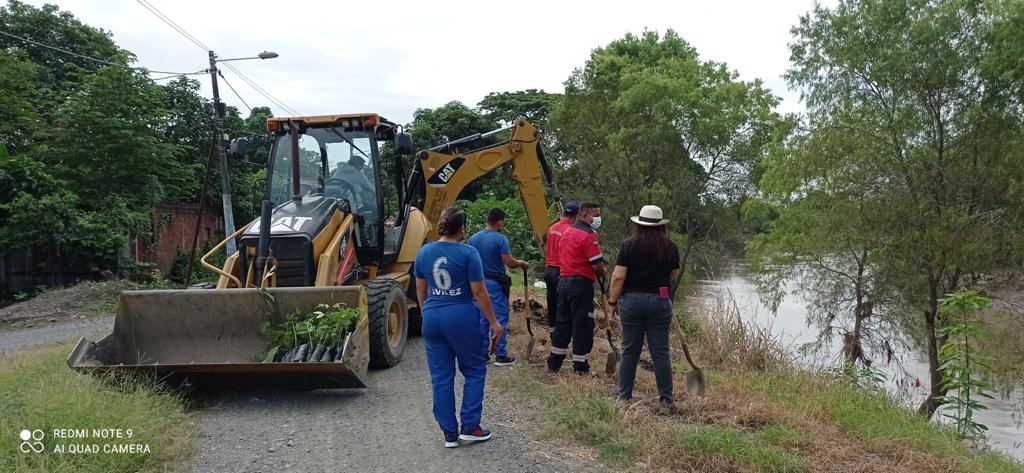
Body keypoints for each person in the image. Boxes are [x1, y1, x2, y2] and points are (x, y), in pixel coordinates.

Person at [414, 207, 504, 448]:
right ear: (462, 228)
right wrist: (494, 322)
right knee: (474, 370)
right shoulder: (468, 253)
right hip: (461, 314)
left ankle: (449, 433)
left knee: (441, 375)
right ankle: (470, 427)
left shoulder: (424, 252)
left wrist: (425, 312)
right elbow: (478, 291)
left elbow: (420, 288)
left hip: (432, 315)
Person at [607, 205, 680, 404]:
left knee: (629, 349)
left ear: (638, 224)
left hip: (632, 301)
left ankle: (624, 396)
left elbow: (618, 277)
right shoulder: (670, 247)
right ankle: (666, 399)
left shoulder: (628, 245)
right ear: (661, 226)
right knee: (661, 352)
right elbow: (673, 274)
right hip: (660, 300)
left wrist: (612, 303)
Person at [547, 202, 605, 374]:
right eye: (596, 215)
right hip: (580, 285)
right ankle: (580, 366)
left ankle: (554, 363)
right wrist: (603, 272)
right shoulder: (588, 235)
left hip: (563, 281)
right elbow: (597, 265)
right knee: (583, 325)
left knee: (562, 323)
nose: (598, 218)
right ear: (586, 215)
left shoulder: (567, 232)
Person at [468, 207, 529, 366]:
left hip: (478, 283)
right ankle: (501, 355)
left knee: (482, 318)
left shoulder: (473, 238)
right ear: (499, 222)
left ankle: (482, 354)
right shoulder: (500, 239)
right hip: (495, 284)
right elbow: (509, 262)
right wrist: (521, 263)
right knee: (500, 317)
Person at [543, 202, 579, 329]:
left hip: (549, 269)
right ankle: (562, 333)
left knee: (551, 302)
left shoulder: (552, 228)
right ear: (575, 216)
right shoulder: (569, 230)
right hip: (560, 271)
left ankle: (553, 331)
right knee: (563, 305)